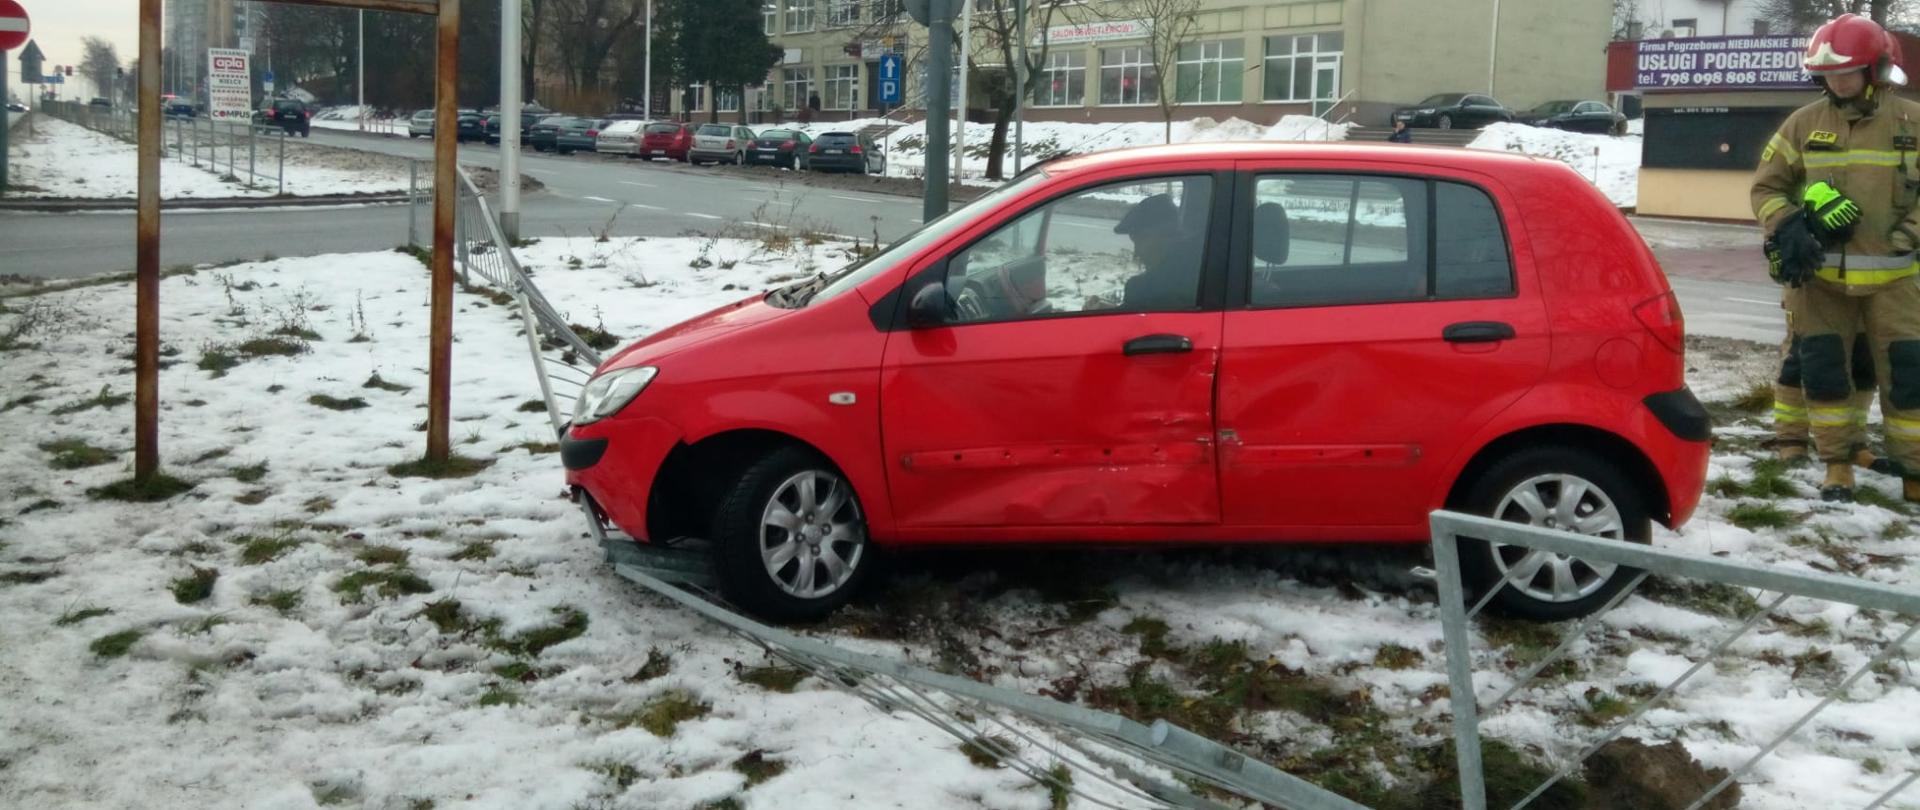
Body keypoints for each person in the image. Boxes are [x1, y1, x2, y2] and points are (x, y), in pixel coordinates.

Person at [1752, 13, 1920, 502]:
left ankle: (1913, 472)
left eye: (1846, 73)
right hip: (1820, 279)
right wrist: (1788, 225)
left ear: (1877, 70)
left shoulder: (1912, 120)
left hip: (1896, 281)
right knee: (1824, 371)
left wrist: (1911, 233)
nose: (1836, 83)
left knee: (1908, 376)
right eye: (1827, 76)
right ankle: (1836, 466)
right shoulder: (1803, 122)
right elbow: (1766, 187)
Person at [1112, 194, 1199, 310]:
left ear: (1167, 235)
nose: (1137, 252)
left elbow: (1134, 324)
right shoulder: (1197, 265)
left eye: (1142, 239)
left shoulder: (1142, 289)